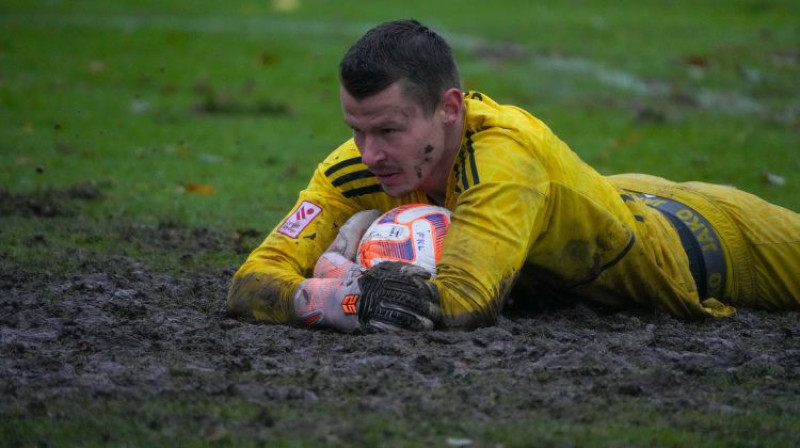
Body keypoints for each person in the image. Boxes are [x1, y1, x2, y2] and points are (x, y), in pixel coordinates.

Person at [227, 19, 800, 332]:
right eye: (357, 129)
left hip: (713, 239)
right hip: (619, 196)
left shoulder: (503, 159)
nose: (369, 152)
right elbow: (252, 279)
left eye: (390, 131)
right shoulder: (353, 168)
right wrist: (336, 293)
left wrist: (341, 286)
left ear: (449, 109)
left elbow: (461, 303)